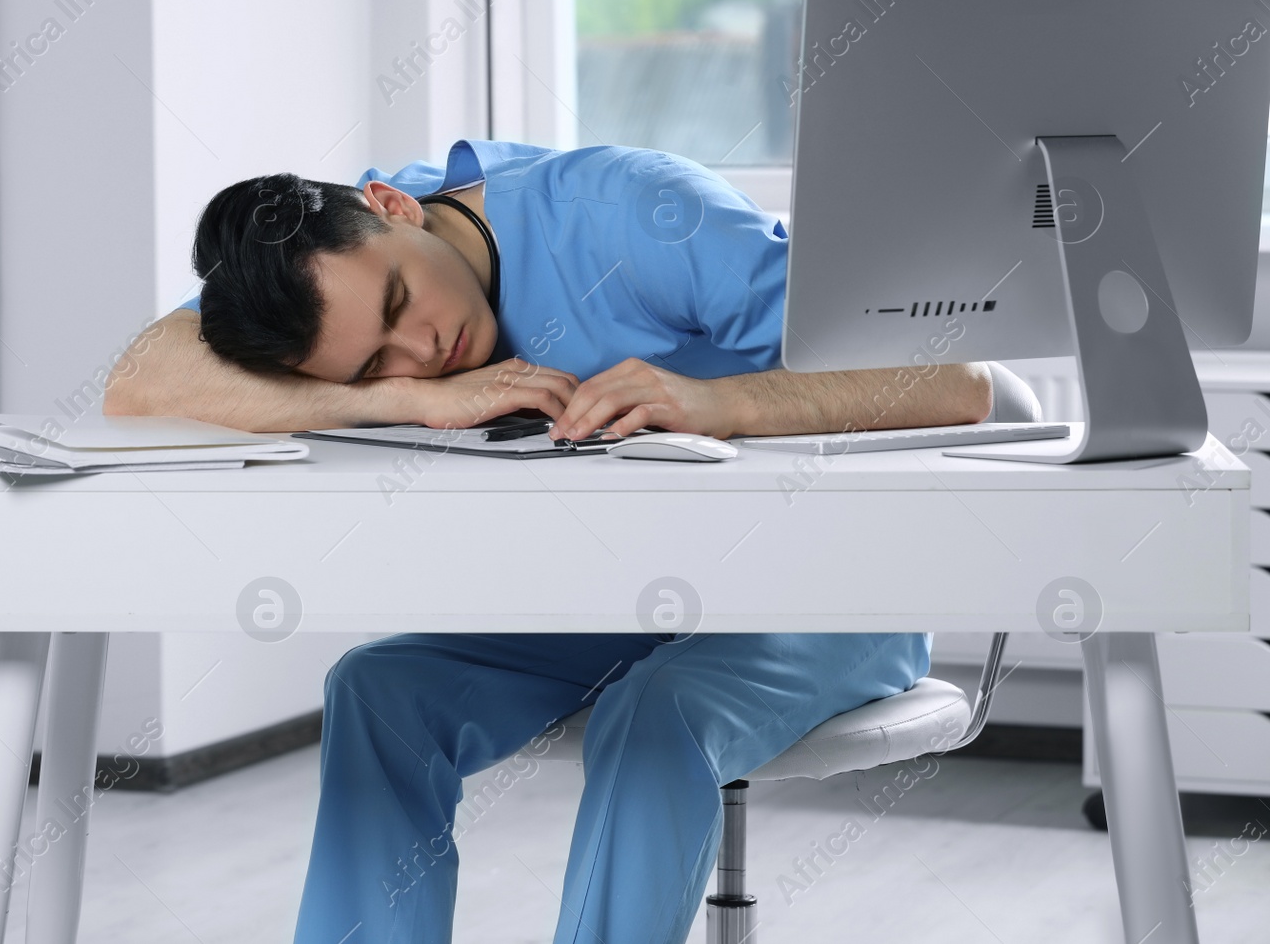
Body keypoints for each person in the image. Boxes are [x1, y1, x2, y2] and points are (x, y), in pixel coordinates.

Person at [105, 140, 992, 944]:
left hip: (831, 590)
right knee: (377, 693)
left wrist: (729, 402)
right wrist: (401, 400)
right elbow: (139, 383)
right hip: (633, 604)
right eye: (374, 360)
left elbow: (956, 376)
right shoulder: (311, 285)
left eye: (402, 302)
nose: (423, 348)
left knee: (654, 715)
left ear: (393, 205)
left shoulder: (637, 214)